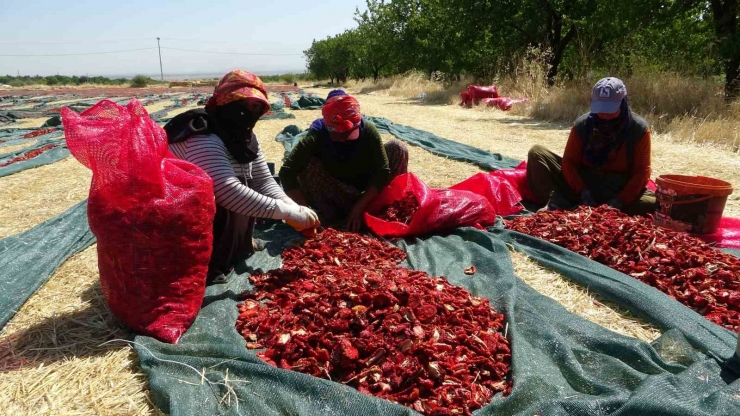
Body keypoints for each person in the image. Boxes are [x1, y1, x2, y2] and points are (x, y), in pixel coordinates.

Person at [164, 70, 320, 282]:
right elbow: (226, 190)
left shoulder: (245, 137)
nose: (249, 112)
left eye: (256, 106)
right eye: (242, 103)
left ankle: (238, 247)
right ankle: (207, 265)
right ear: (225, 102)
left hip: (219, 195)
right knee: (223, 201)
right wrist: (285, 212)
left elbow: (262, 180)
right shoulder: (204, 136)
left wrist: (292, 207)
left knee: (246, 186)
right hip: (175, 211)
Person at [279, 90, 409, 232]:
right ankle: (327, 216)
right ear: (328, 127)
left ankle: (381, 210)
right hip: (334, 193)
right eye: (338, 134)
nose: (343, 139)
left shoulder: (368, 130)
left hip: (367, 194)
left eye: (348, 133)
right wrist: (304, 212)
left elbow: (382, 172)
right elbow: (287, 172)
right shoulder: (317, 134)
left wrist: (359, 208)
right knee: (307, 161)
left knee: (398, 148)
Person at [526, 77, 655, 216]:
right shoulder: (583, 125)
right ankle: (558, 201)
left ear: (623, 103)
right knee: (537, 153)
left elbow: (641, 173)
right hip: (583, 183)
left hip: (618, 187)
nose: (604, 115)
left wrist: (620, 201)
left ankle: (608, 208)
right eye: (601, 109)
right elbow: (569, 163)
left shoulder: (638, 129)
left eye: (610, 110)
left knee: (655, 204)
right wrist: (583, 191)